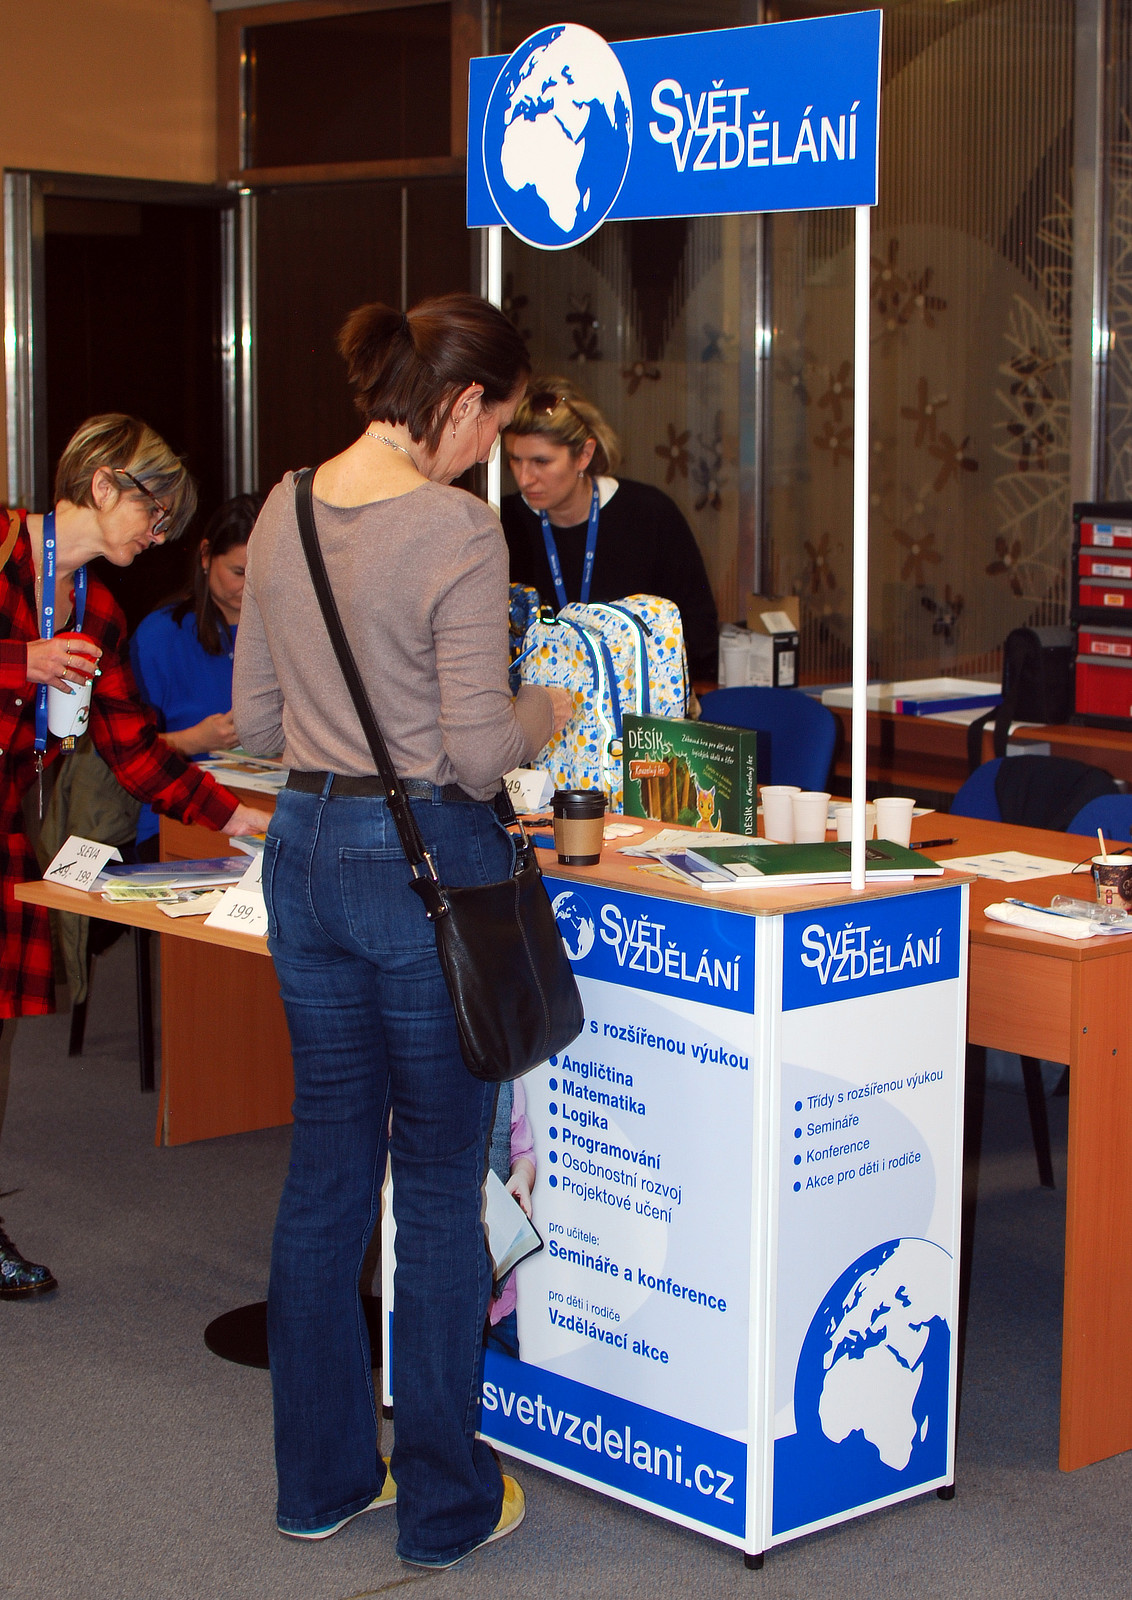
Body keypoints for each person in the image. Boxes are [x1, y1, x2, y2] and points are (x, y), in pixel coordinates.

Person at [232, 294, 573, 1568]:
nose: (489, 454)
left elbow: (255, 720)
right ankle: (442, 1504)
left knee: (327, 1166)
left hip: (303, 851)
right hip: (426, 862)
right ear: (463, 402)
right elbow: (480, 755)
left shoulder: (282, 505)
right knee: (436, 1184)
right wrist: (544, 706)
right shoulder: (455, 529)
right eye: (494, 425)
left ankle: (320, 1483)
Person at [0, 415, 270, 1299]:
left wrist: (235, 817)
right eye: (156, 513)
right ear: (104, 482)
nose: (159, 535)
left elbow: (137, 753)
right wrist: (20, 661)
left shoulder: (100, 610)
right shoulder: (3, 550)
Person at [500, 377, 720, 679]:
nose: (525, 478)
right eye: (515, 460)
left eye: (541, 461)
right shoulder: (502, 521)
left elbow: (697, 630)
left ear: (584, 455)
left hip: (634, 696)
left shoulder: (651, 514)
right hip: (536, 700)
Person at [130, 493, 263, 857]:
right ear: (206, 556)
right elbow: (122, 752)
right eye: (239, 573)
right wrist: (193, 740)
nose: (250, 586)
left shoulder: (289, 630)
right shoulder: (160, 636)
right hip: (179, 819)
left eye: (262, 573)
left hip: (267, 810)